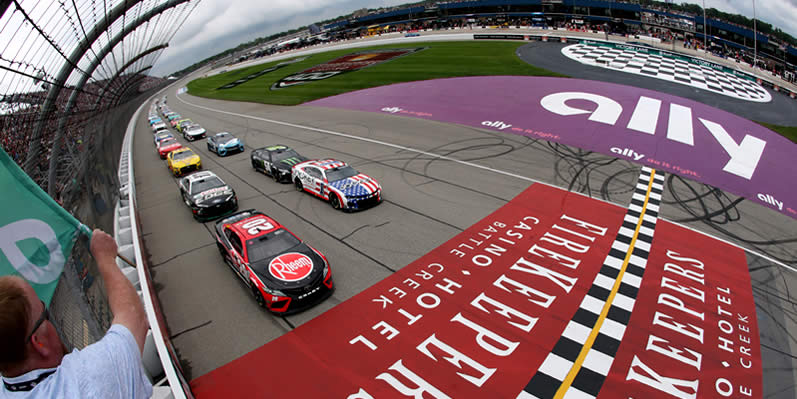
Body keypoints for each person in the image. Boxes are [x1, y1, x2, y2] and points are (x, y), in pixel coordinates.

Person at [0, 229, 152, 398]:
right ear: (39, 343)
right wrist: (105, 258)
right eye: (45, 314)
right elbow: (133, 317)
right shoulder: (89, 380)